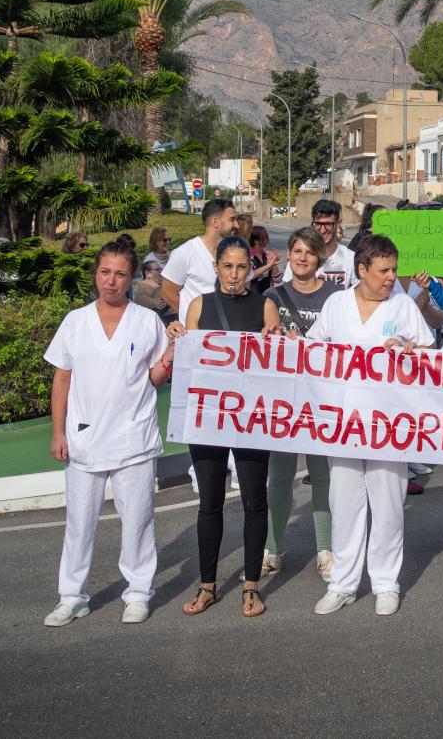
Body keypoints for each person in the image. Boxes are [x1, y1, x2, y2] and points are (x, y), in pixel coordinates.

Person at [43, 241, 173, 627]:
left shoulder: (147, 322)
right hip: (83, 438)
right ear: (95, 275)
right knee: (79, 525)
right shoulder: (75, 321)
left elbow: (153, 379)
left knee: (137, 521)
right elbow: (61, 379)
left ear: (131, 277)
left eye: (119, 274)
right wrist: (57, 432)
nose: (111, 281)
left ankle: (137, 593)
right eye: (104, 272)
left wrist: (170, 357)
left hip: (133, 438)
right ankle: (72, 596)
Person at [308, 234, 435, 617]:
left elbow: (430, 354)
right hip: (344, 425)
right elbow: (312, 352)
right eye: (383, 270)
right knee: (344, 506)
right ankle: (344, 583)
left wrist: (412, 351)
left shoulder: (403, 306)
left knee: (389, 506)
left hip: (389, 426)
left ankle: (385, 582)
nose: (391, 277)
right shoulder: (336, 304)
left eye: (394, 269)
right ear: (361, 270)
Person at [165, 236, 274, 619]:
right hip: (208, 418)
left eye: (242, 267)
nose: (234, 275)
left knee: (253, 501)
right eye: (227, 267)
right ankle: (207, 585)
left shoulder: (265, 306)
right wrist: (176, 339)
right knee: (209, 502)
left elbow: (279, 366)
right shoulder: (199, 305)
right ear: (215, 268)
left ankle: (251, 587)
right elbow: (184, 363)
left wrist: (277, 343)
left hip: (250, 419)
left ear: (251, 267)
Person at [260, 226, 339, 583]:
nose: (302, 257)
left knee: (323, 476)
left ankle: (326, 551)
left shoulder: (337, 297)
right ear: (289, 255)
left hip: (324, 398)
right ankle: (272, 551)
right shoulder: (274, 295)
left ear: (319, 257)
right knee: (279, 477)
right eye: (297, 251)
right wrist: (277, 337)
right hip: (286, 400)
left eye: (309, 252)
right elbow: (271, 332)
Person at [161, 197, 236, 327]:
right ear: (215, 222)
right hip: (196, 338)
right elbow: (167, 292)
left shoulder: (236, 252)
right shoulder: (185, 252)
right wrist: (193, 318)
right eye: (232, 219)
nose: (236, 225)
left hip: (229, 332)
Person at [284, 199, 355, 288]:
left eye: (328, 224)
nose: (322, 230)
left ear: (338, 223)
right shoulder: (301, 258)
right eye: (318, 224)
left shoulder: (351, 259)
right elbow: (286, 291)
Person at [247, 224, 280, 294]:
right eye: (264, 238)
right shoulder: (248, 256)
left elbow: (277, 279)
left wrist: (274, 262)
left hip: (268, 295)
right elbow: (248, 276)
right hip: (253, 296)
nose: (266, 241)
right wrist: (268, 266)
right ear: (255, 241)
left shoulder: (266, 255)